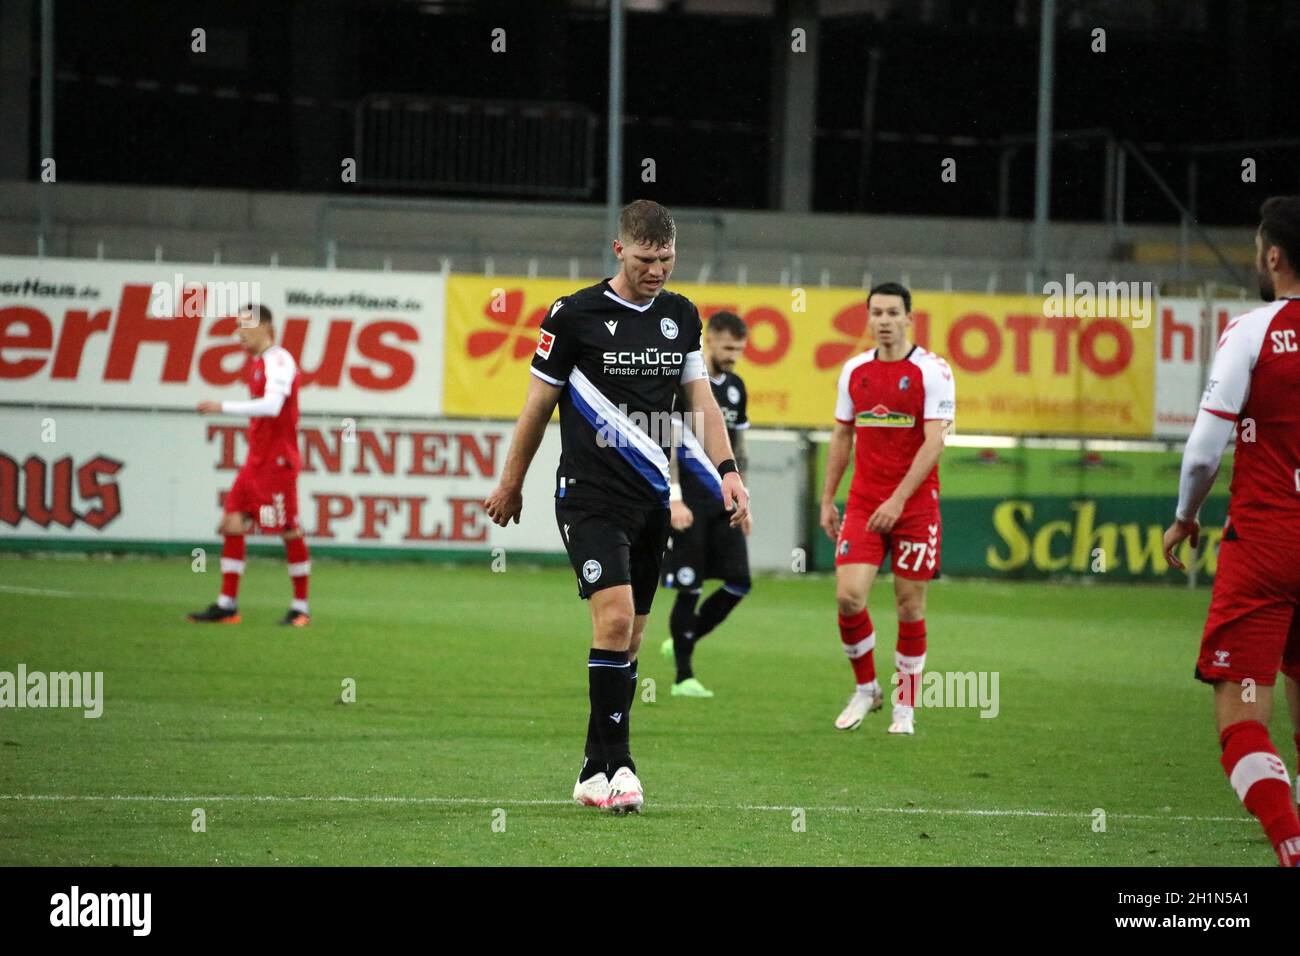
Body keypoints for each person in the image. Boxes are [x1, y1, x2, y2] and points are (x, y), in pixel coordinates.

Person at [483, 199, 749, 813]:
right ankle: (623, 765)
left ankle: (590, 769)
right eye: (647, 258)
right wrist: (511, 481)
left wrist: (728, 471)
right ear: (619, 250)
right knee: (613, 619)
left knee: (629, 640)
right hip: (589, 497)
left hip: (652, 499)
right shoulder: (573, 315)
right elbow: (537, 407)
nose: (658, 269)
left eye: (668, 258)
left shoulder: (681, 315)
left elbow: (700, 404)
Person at [1163, 196, 1300, 866]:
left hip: (1270, 547)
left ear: (1272, 255)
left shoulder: (1252, 332)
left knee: (1244, 716)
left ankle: (1290, 844)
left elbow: (1203, 452)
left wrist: (1186, 516)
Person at [820, 282, 954, 736]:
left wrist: (898, 499)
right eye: (876, 312)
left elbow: (935, 440)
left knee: (909, 606)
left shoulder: (932, 371)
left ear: (908, 317)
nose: (883, 320)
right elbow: (841, 437)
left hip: (915, 507)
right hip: (862, 503)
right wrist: (826, 498)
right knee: (847, 596)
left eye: (892, 312)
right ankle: (867, 689)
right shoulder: (854, 370)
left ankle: (906, 706)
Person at [189, 304, 311, 627]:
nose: (238, 333)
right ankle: (227, 605)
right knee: (231, 522)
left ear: (266, 327)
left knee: (288, 529)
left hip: (278, 462)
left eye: (244, 326)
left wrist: (221, 406)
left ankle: (301, 608)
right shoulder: (258, 364)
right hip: (255, 461)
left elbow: (272, 407)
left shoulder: (280, 361)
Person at [659, 310, 753, 698]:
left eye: (739, 349)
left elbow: (739, 449)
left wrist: (745, 497)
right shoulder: (685, 383)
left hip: (722, 499)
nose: (733, 356)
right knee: (691, 586)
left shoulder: (735, 388)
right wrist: (674, 499)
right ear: (710, 340)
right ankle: (683, 677)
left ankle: (685, 636)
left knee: (739, 582)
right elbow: (670, 444)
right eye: (728, 347)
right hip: (690, 499)